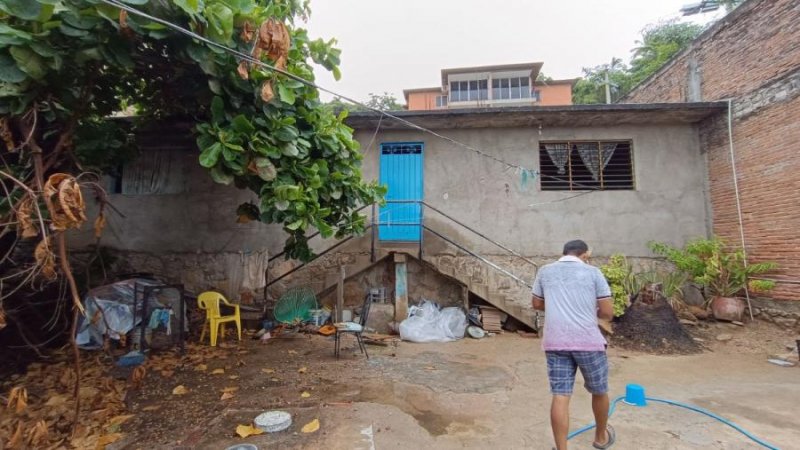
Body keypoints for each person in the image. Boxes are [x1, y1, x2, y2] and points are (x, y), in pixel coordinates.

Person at [532, 240, 615, 450]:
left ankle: (561, 448)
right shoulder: (593, 273)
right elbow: (607, 312)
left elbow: (537, 303)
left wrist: (560, 305)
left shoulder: (545, 271)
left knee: (560, 394)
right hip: (588, 342)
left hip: (555, 342)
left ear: (564, 253)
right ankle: (600, 438)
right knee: (599, 391)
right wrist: (587, 309)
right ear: (585, 254)